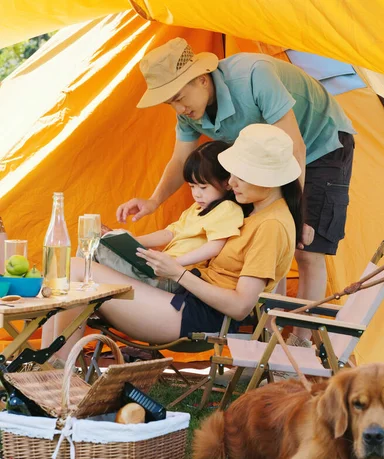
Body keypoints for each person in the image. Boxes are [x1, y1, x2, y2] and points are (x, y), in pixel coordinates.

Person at [116, 38, 356, 346]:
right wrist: (152, 201)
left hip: (319, 144)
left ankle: (300, 342)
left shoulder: (256, 75)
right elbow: (179, 160)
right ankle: (267, 339)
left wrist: (297, 216)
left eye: (179, 98)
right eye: (170, 103)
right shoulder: (189, 109)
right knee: (265, 241)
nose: (178, 108)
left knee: (304, 248)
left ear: (202, 79)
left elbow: (293, 146)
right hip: (266, 156)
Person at [42, 124, 304, 358]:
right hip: (184, 300)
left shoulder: (271, 226)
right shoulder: (256, 211)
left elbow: (240, 306)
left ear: (268, 180)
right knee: (73, 268)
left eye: (240, 175)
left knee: (75, 269)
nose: (231, 182)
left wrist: (178, 273)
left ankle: (53, 374)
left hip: (196, 316)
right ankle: (47, 370)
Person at [97, 140, 245, 291]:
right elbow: (170, 233)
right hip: (162, 269)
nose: (196, 194)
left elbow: (215, 246)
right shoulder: (196, 208)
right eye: (192, 187)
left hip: (177, 278)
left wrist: (175, 263)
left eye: (203, 187)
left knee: (97, 252)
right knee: (98, 244)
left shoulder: (227, 208)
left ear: (227, 183)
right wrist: (131, 241)